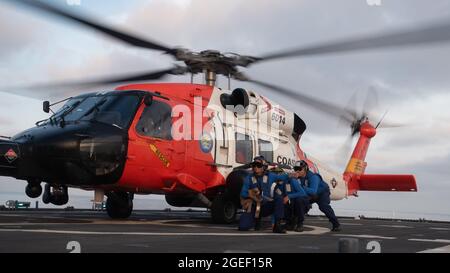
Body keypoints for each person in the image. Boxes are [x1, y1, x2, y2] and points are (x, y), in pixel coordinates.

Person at [240, 155, 289, 233]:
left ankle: (277, 225)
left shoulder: (270, 176)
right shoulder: (249, 177)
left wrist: (291, 175)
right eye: (254, 165)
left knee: (279, 198)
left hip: (266, 205)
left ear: (264, 167)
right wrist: (253, 194)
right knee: (243, 227)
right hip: (254, 205)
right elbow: (243, 192)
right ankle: (255, 221)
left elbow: (283, 177)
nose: (255, 167)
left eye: (258, 165)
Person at [295, 160, 341, 232]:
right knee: (300, 201)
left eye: (299, 169)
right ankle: (299, 224)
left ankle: (336, 224)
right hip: (311, 194)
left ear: (305, 169)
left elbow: (313, 191)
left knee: (323, 206)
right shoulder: (298, 178)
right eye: (295, 169)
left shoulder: (313, 177)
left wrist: (299, 186)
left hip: (322, 193)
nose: (297, 171)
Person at [284, 167, 310, 232]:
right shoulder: (281, 183)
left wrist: (289, 196)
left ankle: (300, 224)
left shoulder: (292, 181)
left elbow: (302, 193)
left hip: (302, 202)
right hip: (293, 203)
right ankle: (290, 223)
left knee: (299, 200)